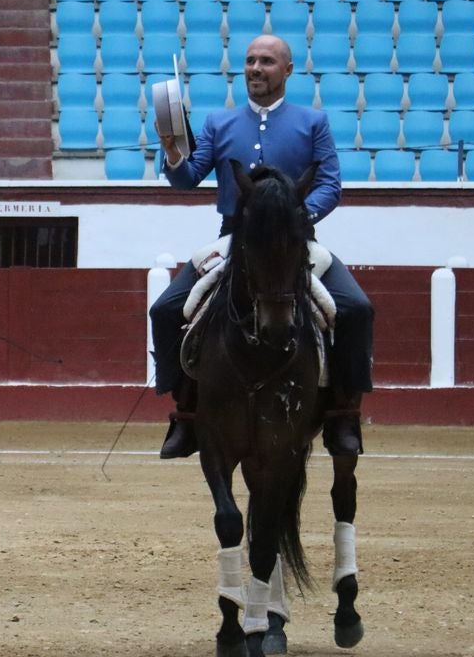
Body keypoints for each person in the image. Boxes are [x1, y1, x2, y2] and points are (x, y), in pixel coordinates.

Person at [150, 34, 374, 461]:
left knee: (358, 309)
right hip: (234, 238)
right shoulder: (219, 122)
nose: (255, 68)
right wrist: (174, 154)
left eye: (266, 61)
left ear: (287, 70)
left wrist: (294, 221)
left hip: (295, 240)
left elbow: (329, 184)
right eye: (250, 61)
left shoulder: (313, 122)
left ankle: (343, 415)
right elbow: (188, 178)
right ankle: (185, 414)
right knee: (164, 309)